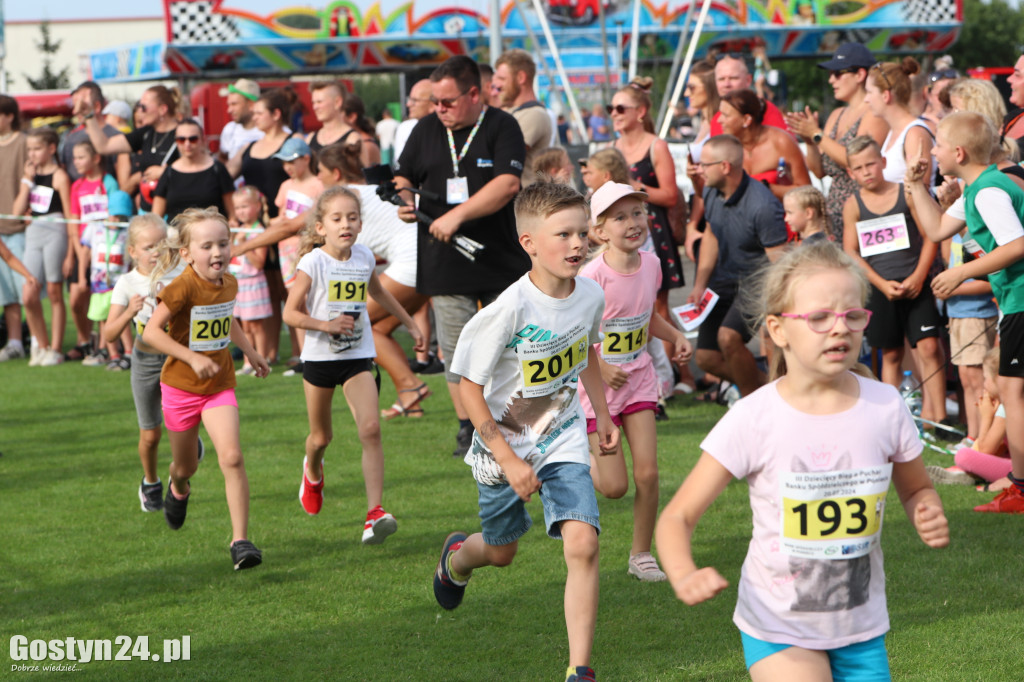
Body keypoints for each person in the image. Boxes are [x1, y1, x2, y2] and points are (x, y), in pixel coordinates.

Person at [656, 240, 949, 681]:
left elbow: (915, 487)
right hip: (778, 625)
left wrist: (925, 508)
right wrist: (683, 572)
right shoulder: (755, 418)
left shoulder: (886, 406)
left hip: (860, 626)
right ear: (777, 330)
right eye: (818, 318)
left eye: (852, 316)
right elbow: (676, 517)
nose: (840, 329)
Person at [433, 182, 618, 682]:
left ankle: (580, 668)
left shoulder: (592, 295)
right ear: (529, 242)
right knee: (501, 552)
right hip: (503, 447)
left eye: (584, 232)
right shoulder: (508, 310)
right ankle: (457, 559)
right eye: (564, 234)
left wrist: (602, 415)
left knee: (582, 542)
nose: (578, 244)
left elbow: (588, 354)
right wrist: (510, 461)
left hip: (562, 434)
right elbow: (470, 390)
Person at [394, 55, 529, 457]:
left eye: (447, 101)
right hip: (444, 261)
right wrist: (404, 199)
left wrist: (456, 215)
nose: (439, 109)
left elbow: (508, 183)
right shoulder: (426, 129)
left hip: (500, 259)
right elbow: (404, 175)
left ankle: (519, 421)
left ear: (475, 94)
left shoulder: (502, 125)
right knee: (457, 350)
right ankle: (469, 428)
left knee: (512, 345)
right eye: (435, 101)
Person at [283, 186, 425, 539]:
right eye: (337, 218)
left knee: (371, 429)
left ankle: (374, 513)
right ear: (320, 228)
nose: (346, 224)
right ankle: (313, 473)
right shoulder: (312, 262)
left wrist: (408, 322)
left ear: (361, 223)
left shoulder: (363, 256)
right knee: (321, 437)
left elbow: (378, 293)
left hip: (357, 356)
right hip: (319, 358)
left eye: (352, 217)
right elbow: (290, 313)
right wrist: (325, 325)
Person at [907, 111, 1024, 513]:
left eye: (937, 144)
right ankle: (1017, 485)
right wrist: (914, 185)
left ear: (958, 151)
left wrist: (961, 272)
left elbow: (1017, 245)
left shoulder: (988, 191)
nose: (933, 150)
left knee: (1014, 393)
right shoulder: (977, 188)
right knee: (1012, 392)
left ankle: (1020, 490)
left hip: (1021, 300)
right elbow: (937, 228)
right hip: (1013, 301)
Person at [142, 207, 269, 570]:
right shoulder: (181, 286)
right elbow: (151, 334)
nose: (218, 252)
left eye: (223, 244)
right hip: (180, 389)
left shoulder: (230, 282)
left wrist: (250, 351)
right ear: (186, 253)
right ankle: (178, 485)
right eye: (207, 246)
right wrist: (192, 357)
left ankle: (241, 541)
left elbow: (226, 319)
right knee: (186, 467)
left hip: (218, 385)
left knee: (232, 457)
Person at [580, 182, 693, 582]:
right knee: (613, 487)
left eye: (637, 214)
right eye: (620, 217)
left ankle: (641, 554)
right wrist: (601, 365)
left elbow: (646, 316)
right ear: (599, 231)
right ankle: (568, 463)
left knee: (647, 473)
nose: (633, 223)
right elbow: (577, 335)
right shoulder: (591, 276)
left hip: (640, 380)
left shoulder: (652, 264)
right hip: (598, 390)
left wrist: (674, 335)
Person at [840, 135, 949, 438]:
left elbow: (931, 234)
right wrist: (879, 284)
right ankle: (891, 425)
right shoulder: (854, 205)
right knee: (889, 354)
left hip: (916, 283)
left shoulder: (907, 193)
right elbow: (850, 251)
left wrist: (918, 276)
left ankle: (936, 420)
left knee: (929, 347)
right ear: (850, 173)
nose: (866, 172)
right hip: (881, 289)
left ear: (884, 163)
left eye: (871, 164)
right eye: (858, 168)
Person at [317, 142, 430, 419]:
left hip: (413, 263)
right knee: (374, 329)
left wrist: (241, 248)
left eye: (319, 172)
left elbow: (289, 226)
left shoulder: (344, 200)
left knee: (357, 325)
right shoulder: (370, 191)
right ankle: (410, 396)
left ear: (334, 173)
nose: (318, 178)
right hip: (427, 260)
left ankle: (411, 385)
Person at [689, 134, 788, 399]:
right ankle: (770, 391)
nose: (699, 170)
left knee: (728, 338)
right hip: (724, 279)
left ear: (724, 167)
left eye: (704, 164)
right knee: (706, 358)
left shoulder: (763, 205)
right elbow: (710, 233)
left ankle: (750, 403)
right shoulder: (710, 190)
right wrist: (700, 283)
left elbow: (779, 261)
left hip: (757, 280)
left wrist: (780, 305)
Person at [104, 214, 188, 510]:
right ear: (133, 252)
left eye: (162, 245)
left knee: (181, 423)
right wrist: (129, 311)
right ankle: (150, 482)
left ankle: (190, 449)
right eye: (149, 246)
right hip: (145, 360)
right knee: (151, 434)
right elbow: (109, 334)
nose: (156, 252)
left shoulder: (180, 272)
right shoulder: (127, 283)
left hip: (178, 356)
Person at [785, 42, 889, 242]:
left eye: (837, 73)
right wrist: (810, 142)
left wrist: (817, 134)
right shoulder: (836, 114)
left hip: (866, 211)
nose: (831, 80)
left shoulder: (874, 113)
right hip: (836, 214)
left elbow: (856, 161)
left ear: (859, 75)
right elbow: (819, 171)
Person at [227, 89, 296, 365]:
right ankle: (269, 353)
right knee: (266, 292)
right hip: (256, 229)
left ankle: (298, 353)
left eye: (259, 112)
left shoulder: (294, 142)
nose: (253, 116)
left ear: (276, 114)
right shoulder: (249, 147)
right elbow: (224, 173)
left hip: (284, 228)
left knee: (288, 291)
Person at [933, 230, 998, 447]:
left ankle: (984, 438)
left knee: (978, 380)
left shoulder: (978, 235)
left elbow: (991, 281)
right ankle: (972, 436)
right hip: (957, 314)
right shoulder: (953, 236)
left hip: (977, 313)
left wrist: (953, 289)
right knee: (966, 378)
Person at [12, 127, 70, 366]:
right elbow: (15, 213)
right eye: (30, 149)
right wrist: (27, 181)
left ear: (51, 148)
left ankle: (55, 349)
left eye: (37, 149)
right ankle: (41, 345)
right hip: (33, 232)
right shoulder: (31, 176)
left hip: (55, 231)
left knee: (55, 292)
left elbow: (69, 215)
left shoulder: (60, 176)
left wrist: (70, 253)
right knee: (29, 293)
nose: (32, 154)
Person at [77, 84, 181, 213]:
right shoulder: (145, 133)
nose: (139, 111)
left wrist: (166, 172)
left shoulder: (185, 134)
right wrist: (89, 115)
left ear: (162, 109)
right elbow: (104, 146)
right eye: (138, 106)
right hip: (147, 211)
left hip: (175, 212)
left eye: (144, 107)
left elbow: (200, 168)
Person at [273, 137, 324, 372]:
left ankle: (315, 354)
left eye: (292, 161)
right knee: (295, 301)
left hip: (308, 248)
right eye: (284, 162)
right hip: (286, 249)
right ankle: (305, 356)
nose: (287, 167)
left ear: (306, 158)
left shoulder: (318, 184)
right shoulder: (285, 186)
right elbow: (281, 215)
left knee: (310, 300)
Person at [67, 139, 117, 363]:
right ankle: (86, 340)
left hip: (105, 250)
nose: (76, 162)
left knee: (102, 296)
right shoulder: (76, 186)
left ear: (96, 158)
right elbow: (75, 223)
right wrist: (74, 254)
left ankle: (105, 347)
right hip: (83, 249)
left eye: (80, 157)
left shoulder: (108, 182)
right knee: (77, 295)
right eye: (74, 157)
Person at [930, 348, 1010, 487]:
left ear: (998, 378)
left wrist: (986, 417)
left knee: (963, 456)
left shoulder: (1006, 406)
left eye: (986, 378)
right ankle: (965, 473)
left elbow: (985, 449)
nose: (984, 384)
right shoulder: (1009, 402)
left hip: (1016, 470)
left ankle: (965, 473)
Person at [718, 89, 811, 202]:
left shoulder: (781, 142)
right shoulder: (726, 147)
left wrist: (767, 188)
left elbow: (806, 191)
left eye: (725, 115)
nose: (719, 120)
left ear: (746, 120)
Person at [82, 189, 135, 371]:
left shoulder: (128, 231)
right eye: (115, 216)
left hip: (119, 284)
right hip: (98, 284)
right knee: (103, 319)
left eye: (122, 217)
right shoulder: (95, 228)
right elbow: (85, 252)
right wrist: (82, 275)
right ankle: (114, 355)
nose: (117, 221)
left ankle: (129, 353)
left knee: (121, 317)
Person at [864, 57, 935, 185]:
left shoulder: (915, 134)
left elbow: (921, 192)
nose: (866, 99)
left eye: (869, 92)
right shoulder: (894, 131)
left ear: (886, 96)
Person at [152, 119, 236, 224]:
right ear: (176, 142)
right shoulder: (169, 172)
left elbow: (232, 213)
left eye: (193, 139)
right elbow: (156, 217)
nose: (187, 144)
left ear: (203, 140)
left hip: (211, 234)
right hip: (177, 236)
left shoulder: (217, 169)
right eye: (181, 139)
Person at [229, 186, 272, 375]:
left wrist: (243, 245)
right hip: (240, 282)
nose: (241, 212)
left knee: (256, 326)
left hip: (254, 282)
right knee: (244, 325)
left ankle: (261, 358)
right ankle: (248, 361)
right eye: (237, 208)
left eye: (245, 206)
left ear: (257, 206)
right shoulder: (238, 229)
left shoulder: (259, 230)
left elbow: (259, 262)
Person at [494, 49, 552, 187]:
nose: (497, 85)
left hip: (527, 202)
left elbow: (502, 154)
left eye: (502, 79)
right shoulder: (513, 111)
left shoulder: (534, 114)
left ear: (521, 78)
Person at [0, 94, 28, 362]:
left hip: (18, 226)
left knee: (25, 290)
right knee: (6, 293)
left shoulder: (23, 142)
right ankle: (15, 342)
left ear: (9, 116)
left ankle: (41, 342)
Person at [709, 55, 788, 136]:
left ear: (748, 80)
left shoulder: (766, 110)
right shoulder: (717, 120)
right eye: (721, 79)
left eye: (733, 78)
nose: (726, 84)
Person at [218, 79, 264, 164]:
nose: (229, 110)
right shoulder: (229, 129)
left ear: (251, 104)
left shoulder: (269, 130)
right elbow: (223, 159)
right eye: (229, 105)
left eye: (234, 104)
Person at [393, 79, 433, 164]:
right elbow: (400, 165)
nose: (408, 104)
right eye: (409, 99)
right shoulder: (404, 128)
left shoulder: (448, 128)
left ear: (432, 104)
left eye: (415, 100)